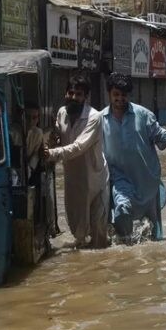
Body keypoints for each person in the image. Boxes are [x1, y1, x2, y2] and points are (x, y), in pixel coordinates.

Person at [101, 73, 166, 243]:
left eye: (124, 95)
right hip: (120, 178)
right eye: (116, 95)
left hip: (147, 179)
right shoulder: (100, 119)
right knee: (122, 209)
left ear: (129, 95)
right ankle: (126, 247)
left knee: (155, 231)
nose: (120, 99)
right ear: (109, 95)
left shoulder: (143, 115)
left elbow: (162, 136)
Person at [44, 76, 110, 249]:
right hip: (73, 178)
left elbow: (79, 146)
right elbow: (58, 136)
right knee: (78, 231)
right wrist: (50, 140)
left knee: (98, 234)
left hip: (96, 178)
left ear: (86, 97)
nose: (73, 97)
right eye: (70, 92)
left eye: (78, 94)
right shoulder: (62, 112)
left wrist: (50, 154)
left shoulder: (95, 117)